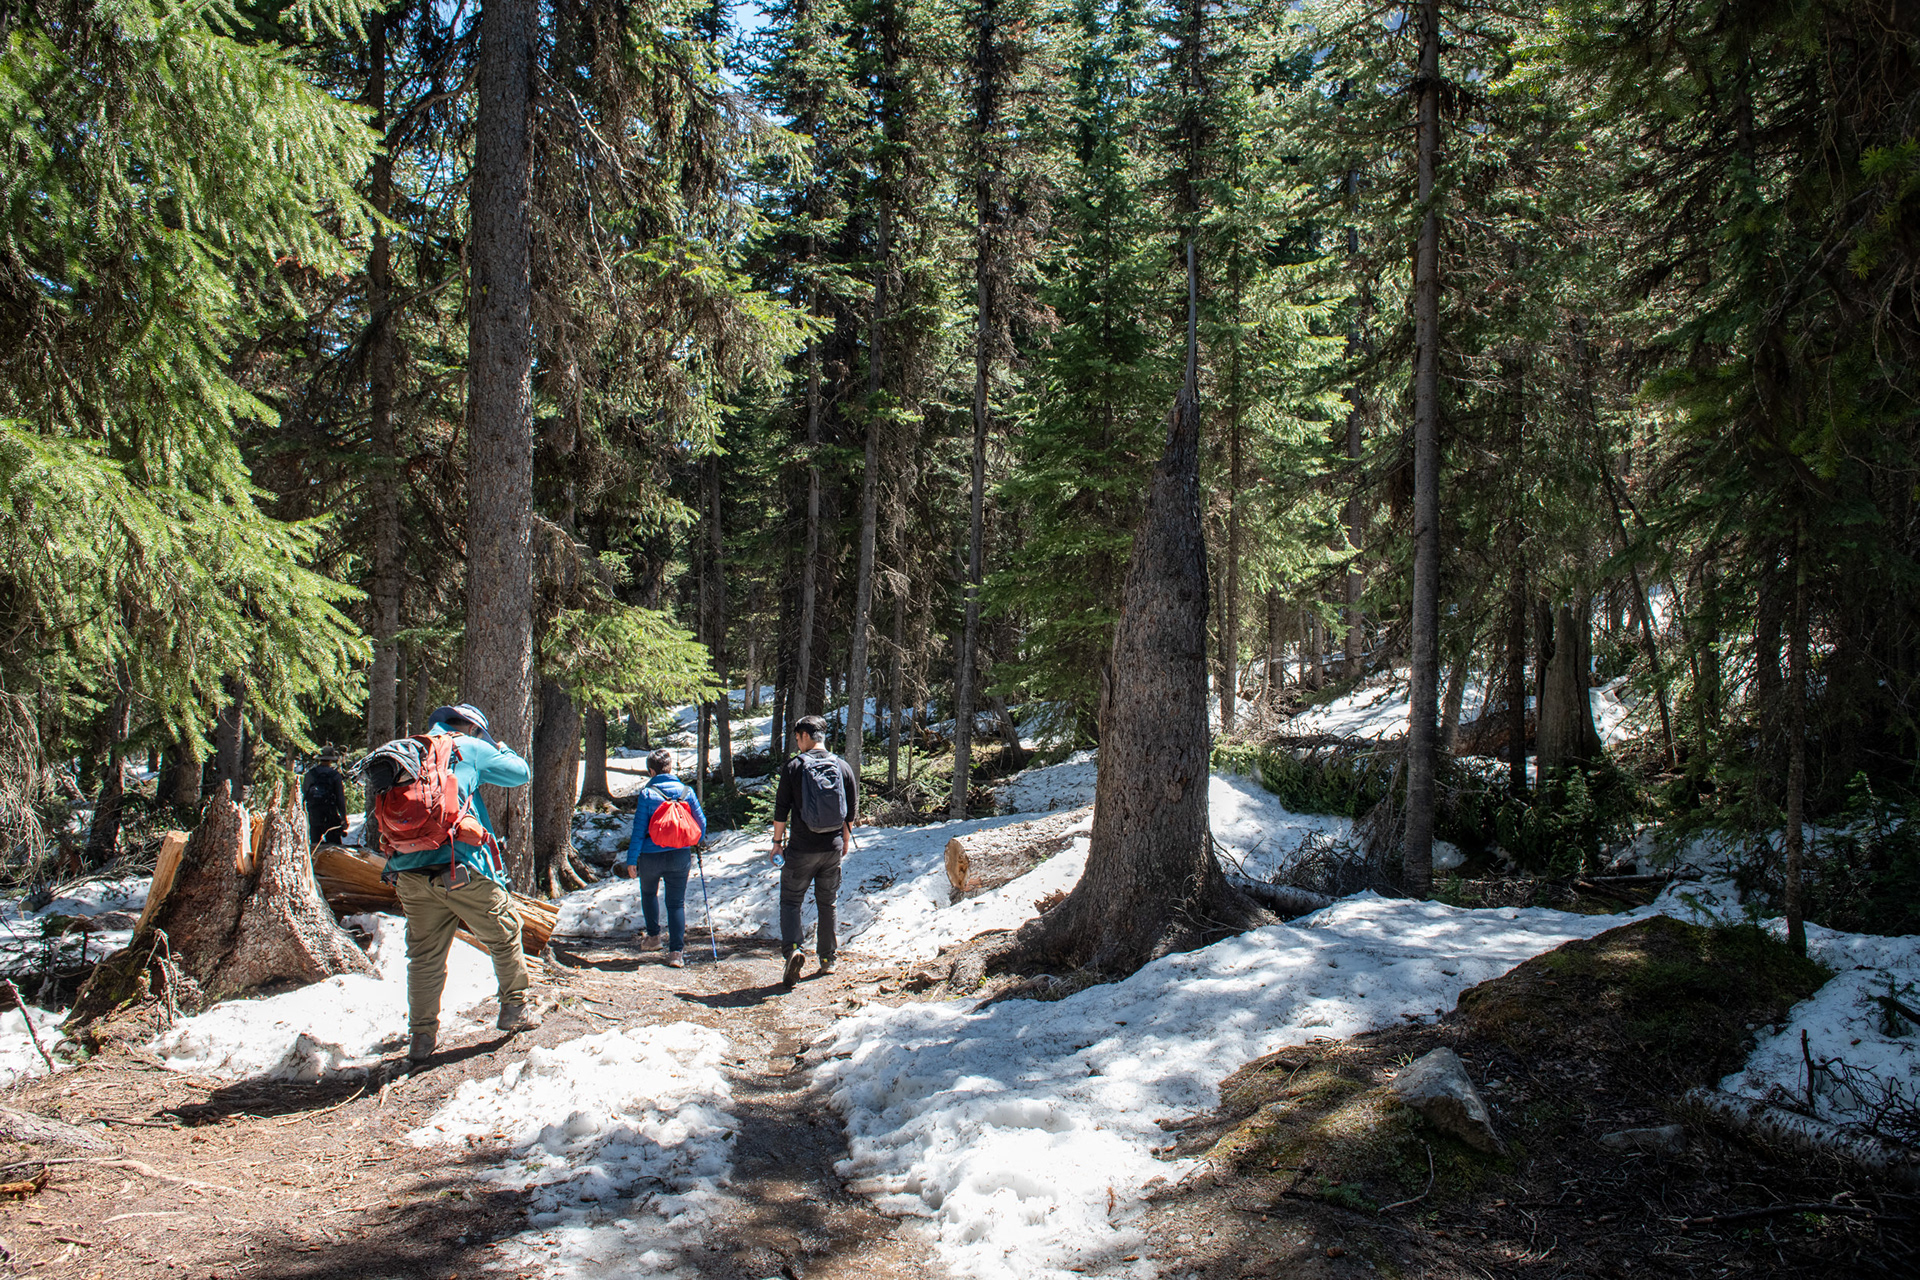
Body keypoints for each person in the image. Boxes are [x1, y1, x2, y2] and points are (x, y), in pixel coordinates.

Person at [372, 703, 541, 1062]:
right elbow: (520, 773)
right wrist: (499, 746)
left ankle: (422, 1037)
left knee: (424, 957)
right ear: (473, 728)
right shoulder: (469, 747)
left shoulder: (406, 750)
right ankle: (515, 1008)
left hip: (407, 872)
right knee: (505, 931)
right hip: (458, 867)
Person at [770, 714, 857, 988]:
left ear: (806, 736)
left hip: (801, 849)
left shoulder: (794, 767)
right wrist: (844, 840)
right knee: (827, 902)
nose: (797, 743)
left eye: (798, 738)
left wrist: (777, 842)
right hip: (832, 848)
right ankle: (828, 958)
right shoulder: (842, 766)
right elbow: (851, 809)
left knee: (791, 901)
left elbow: (781, 809)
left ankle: (793, 951)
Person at [618, 748, 708, 968]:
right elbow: (701, 824)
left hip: (651, 857)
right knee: (676, 903)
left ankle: (653, 937)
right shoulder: (686, 792)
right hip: (680, 855)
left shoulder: (647, 795)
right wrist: (691, 841)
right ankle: (676, 953)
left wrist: (632, 860)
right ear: (670, 768)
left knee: (649, 894)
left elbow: (638, 831)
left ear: (651, 771)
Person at [301, 747, 348, 846]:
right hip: (330, 815)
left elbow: (304, 794)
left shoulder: (310, 774)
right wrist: (343, 817)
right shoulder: (335, 775)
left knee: (315, 845)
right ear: (331, 760)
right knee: (334, 846)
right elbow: (340, 798)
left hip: (314, 815)